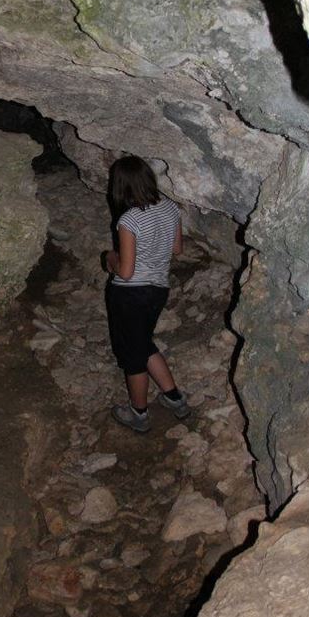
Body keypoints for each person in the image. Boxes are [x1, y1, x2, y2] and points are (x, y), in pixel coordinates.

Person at [104, 155, 189, 433]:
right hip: (157, 291)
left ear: (120, 187)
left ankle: (138, 414)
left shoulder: (129, 220)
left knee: (133, 354)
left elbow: (125, 271)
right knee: (142, 342)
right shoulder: (170, 208)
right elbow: (177, 250)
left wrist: (109, 257)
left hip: (130, 295)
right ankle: (174, 397)